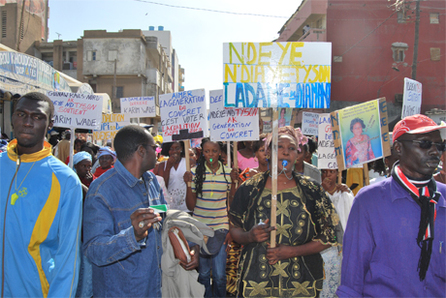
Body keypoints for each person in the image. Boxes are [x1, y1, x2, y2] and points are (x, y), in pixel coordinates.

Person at [337, 114, 446, 297]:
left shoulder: (443, 199)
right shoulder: (369, 201)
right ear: (398, 148)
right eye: (425, 144)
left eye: (440, 146)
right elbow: (352, 277)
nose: (435, 152)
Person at [83, 125, 196, 297]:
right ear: (142, 151)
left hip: (155, 287)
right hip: (121, 291)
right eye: (154, 148)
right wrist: (133, 235)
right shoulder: (102, 191)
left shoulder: (151, 181)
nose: (157, 152)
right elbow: (93, 251)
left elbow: (163, 221)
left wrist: (187, 249)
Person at [229, 126, 339, 298]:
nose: (285, 152)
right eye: (279, 147)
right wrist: (249, 236)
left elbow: (330, 235)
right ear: (268, 153)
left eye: (292, 148)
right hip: (256, 279)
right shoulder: (249, 188)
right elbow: (234, 227)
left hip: (302, 281)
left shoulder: (312, 190)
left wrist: (292, 251)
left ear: (297, 155)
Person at [0, 92, 82, 297]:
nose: (27, 122)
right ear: (12, 118)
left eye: (37, 117)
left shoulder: (65, 181)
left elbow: (68, 258)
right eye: (21, 114)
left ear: (51, 122)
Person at [183, 138, 238, 298]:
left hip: (221, 227)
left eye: (214, 151)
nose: (211, 154)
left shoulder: (228, 172)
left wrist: (235, 182)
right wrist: (188, 185)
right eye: (207, 151)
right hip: (200, 229)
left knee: (220, 276)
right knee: (204, 274)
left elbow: (232, 202)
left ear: (220, 152)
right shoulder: (194, 173)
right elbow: (191, 207)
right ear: (202, 153)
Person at [319, 168, 354, 298]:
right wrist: (321, 192)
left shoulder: (345, 195)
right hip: (323, 251)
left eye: (331, 172)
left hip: (342, 249)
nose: (327, 175)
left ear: (338, 173)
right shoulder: (317, 194)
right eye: (324, 172)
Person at [154, 141, 190, 212]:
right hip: (170, 207)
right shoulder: (162, 165)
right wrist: (168, 167)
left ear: (182, 149)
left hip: (186, 207)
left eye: (177, 148)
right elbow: (163, 187)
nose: (174, 151)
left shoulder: (188, 162)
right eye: (171, 149)